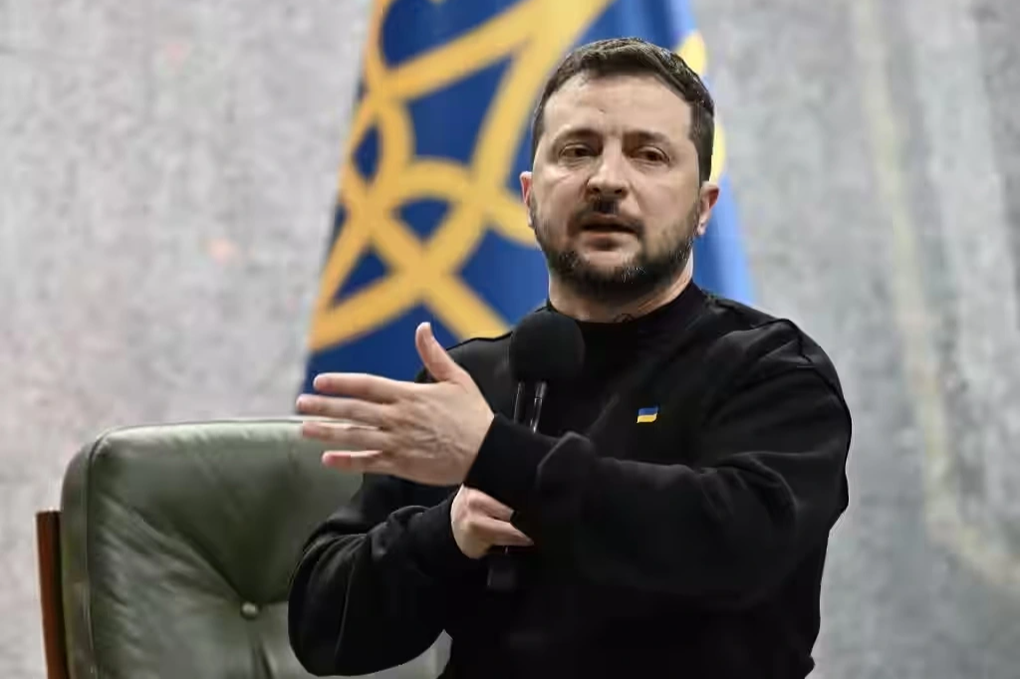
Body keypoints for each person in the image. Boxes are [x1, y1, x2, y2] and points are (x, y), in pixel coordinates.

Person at [287, 37, 851, 679]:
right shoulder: (468, 385)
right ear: (528, 197)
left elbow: (734, 546)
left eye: (649, 155)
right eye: (577, 151)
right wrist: (448, 531)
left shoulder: (770, 370)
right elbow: (322, 629)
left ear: (703, 208)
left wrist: (499, 458)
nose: (607, 180)